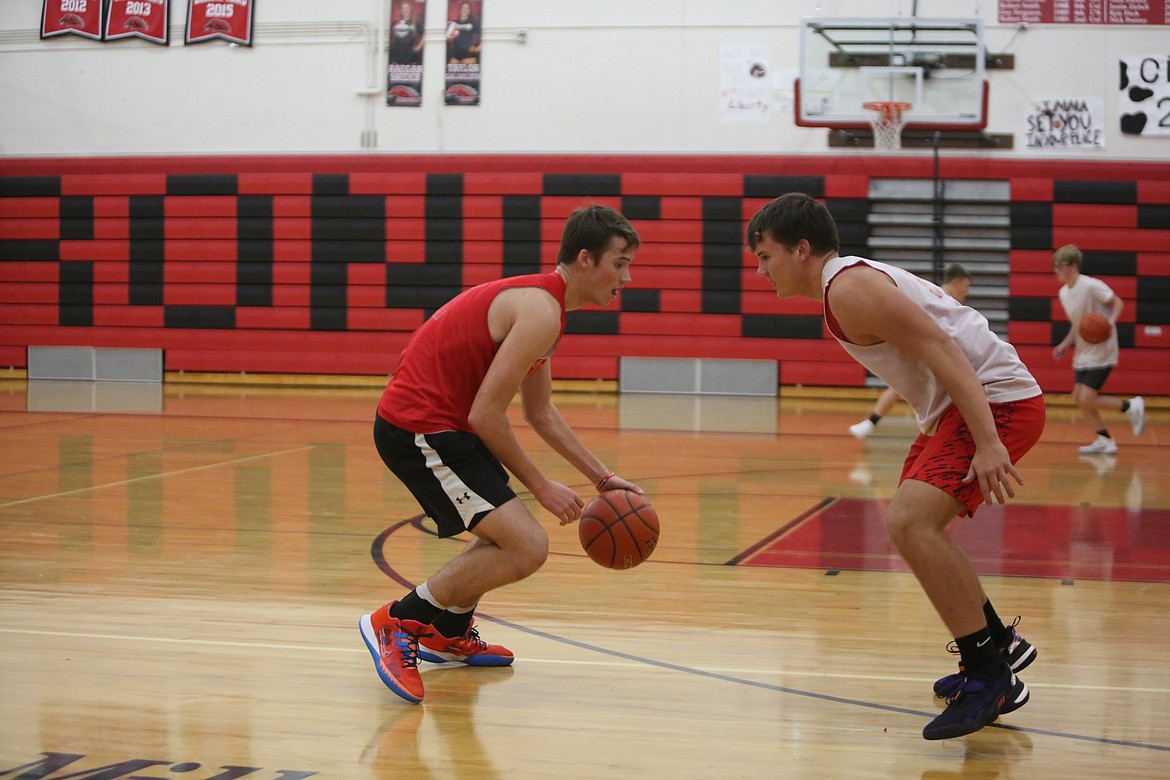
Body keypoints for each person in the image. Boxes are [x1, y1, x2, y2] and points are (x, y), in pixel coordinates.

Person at [747, 193, 1046, 741]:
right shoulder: (846, 287)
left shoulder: (849, 287)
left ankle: (989, 677)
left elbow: (942, 347)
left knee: (911, 523)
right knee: (908, 525)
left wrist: (987, 441)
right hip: (961, 407)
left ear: (802, 248)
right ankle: (998, 644)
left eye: (765, 255)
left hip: (994, 401)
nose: (760, 268)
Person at [360, 205, 643, 704]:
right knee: (526, 546)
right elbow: (486, 415)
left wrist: (603, 478)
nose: (626, 276)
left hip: (447, 426)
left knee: (509, 537)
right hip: (419, 428)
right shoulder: (541, 312)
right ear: (585, 259)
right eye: (619, 263)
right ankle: (396, 622)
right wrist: (542, 486)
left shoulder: (546, 309)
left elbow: (541, 413)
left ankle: (447, 632)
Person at [850, 263, 974, 439]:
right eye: (967, 286)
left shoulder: (935, 293)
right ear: (956, 282)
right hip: (925, 347)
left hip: (930, 348)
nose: (967, 291)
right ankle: (871, 422)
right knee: (905, 387)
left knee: (907, 388)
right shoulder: (940, 297)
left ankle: (872, 422)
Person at [1051, 244, 1145, 455]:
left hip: (1102, 347)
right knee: (1078, 397)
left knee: (1086, 397)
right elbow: (1078, 324)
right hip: (1083, 350)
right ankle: (1105, 440)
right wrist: (1066, 344)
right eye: (1055, 267)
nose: (1057, 271)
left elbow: (1117, 302)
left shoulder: (1091, 285)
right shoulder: (1064, 293)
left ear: (1073, 266)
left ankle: (1130, 406)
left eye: (1060, 266)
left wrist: (1110, 321)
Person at [388, 1, 425, 66]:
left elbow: (426, 33)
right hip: (396, 56)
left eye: (407, 8)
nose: (405, 10)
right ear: (401, 10)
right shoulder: (396, 23)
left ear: (410, 10)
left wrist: (419, 46)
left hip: (411, 57)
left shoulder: (415, 23)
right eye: (403, 8)